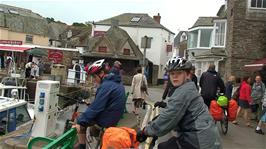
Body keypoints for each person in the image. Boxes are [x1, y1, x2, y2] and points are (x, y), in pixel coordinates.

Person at [137, 57, 222, 149]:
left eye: (179, 73)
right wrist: (165, 105)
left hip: (199, 140)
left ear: (187, 74)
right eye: (172, 73)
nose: (175, 76)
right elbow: (180, 109)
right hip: (206, 138)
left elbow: (169, 117)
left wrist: (145, 131)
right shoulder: (188, 88)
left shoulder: (184, 91)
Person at [72, 59, 126, 149]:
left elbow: (95, 109)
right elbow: (102, 104)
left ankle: (82, 146)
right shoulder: (116, 82)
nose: (94, 80)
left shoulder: (106, 86)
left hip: (106, 121)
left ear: (101, 73)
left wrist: (81, 120)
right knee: (86, 117)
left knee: (79, 122)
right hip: (113, 119)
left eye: (94, 77)